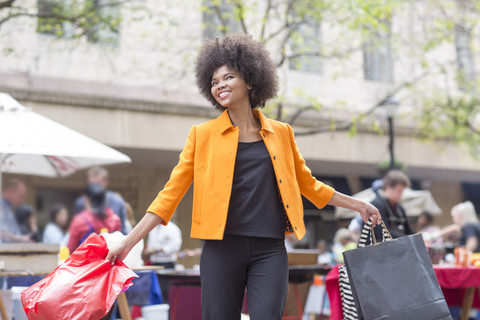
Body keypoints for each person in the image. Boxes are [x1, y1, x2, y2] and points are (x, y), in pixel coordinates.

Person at [106, 34, 381, 320]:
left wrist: (359, 205)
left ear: (250, 80)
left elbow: (308, 185)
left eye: (228, 77)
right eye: (214, 82)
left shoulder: (282, 133)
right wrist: (128, 241)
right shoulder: (202, 136)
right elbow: (170, 194)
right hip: (221, 250)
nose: (220, 85)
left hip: (270, 249)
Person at [68, 184, 121, 253]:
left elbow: (71, 249)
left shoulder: (79, 221)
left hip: (86, 263)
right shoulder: (115, 219)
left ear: (86, 199)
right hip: (108, 262)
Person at [74, 166, 128, 234]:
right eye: (92, 185)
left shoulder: (118, 202)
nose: (95, 188)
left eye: (97, 184)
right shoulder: (81, 203)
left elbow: (122, 232)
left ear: (106, 181)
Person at [368, 170, 413, 244]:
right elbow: (383, 233)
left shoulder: (399, 208)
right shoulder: (376, 205)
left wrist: (418, 237)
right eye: (399, 191)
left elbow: (409, 230)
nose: (401, 195)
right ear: (388, 187)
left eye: (402, 191)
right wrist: (410, 239)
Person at [0, 179, 32, 243]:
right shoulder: (2, 207)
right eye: (20, 196)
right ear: (11, 191)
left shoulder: (8, 208)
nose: (21, 201)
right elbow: (2, 234)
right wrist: (20, 239)